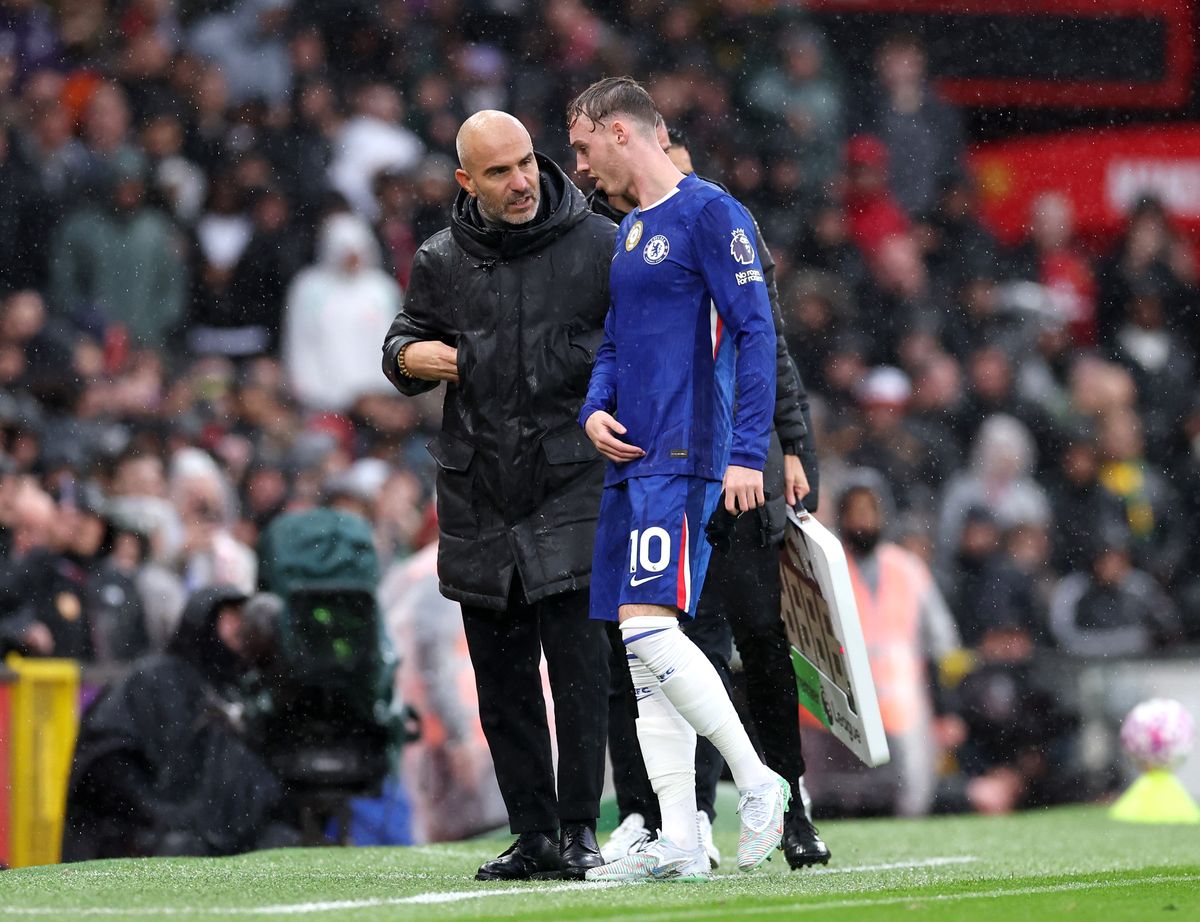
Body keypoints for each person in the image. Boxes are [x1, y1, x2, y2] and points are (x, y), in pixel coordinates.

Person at [381, 110, 615, 881]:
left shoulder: (598, 245)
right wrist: (422, 357)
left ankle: (582, 829)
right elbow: (400, 344)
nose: (519, 182)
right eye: (498, 172)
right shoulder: (442, 260)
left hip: (572, 479)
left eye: (524, 163)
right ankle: (534, 835)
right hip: (480, 489)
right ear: (465, 182)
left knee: (580, 673)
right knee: (503, 680)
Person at [590, 122, 829, 871]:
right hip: (640, 458)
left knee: (746, 640)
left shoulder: (715, 215)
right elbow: (614, 340)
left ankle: (771, 787)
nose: (582, 165)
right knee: (643, 649)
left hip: (709, 461)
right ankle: (682, 832)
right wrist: (592, 407)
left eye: (584, 145)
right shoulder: (628, 233)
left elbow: (765, 340)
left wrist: (780, 449)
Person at [802, 471, 961, 817]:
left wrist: (947, 710)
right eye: (855, 512)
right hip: (832, 713)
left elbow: (940, 648)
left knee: (905, 807)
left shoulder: (908, 569)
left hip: (900, 713)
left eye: (869, 511)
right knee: (829, 804)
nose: (863, 521)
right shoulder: (821, 563)